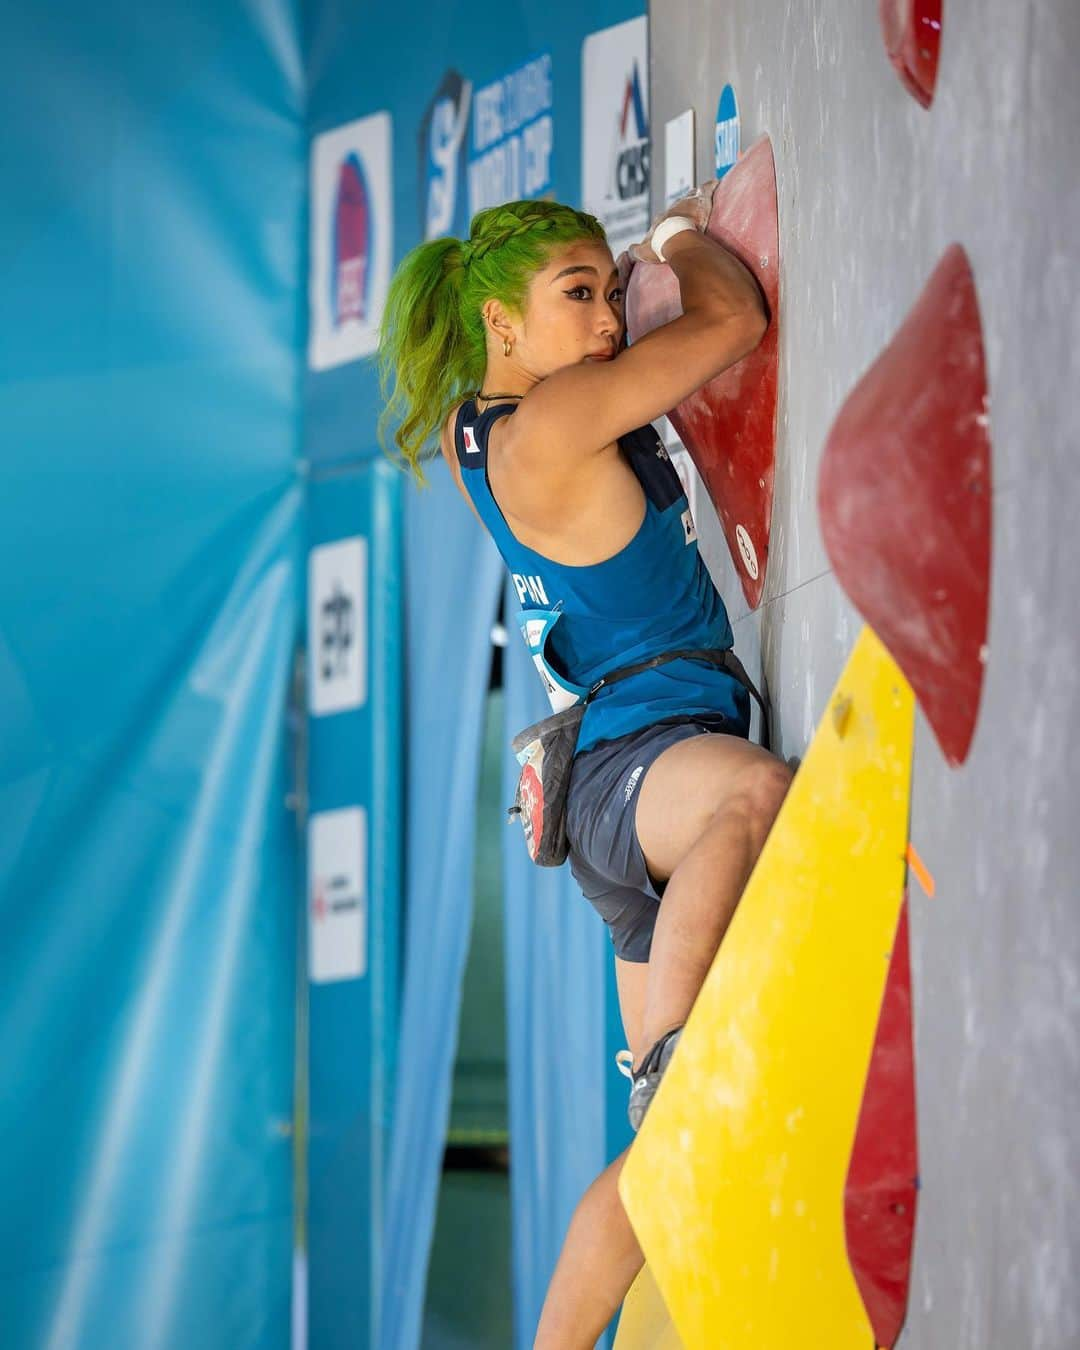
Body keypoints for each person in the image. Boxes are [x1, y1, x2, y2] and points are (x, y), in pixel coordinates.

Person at [377, 190, 793, 1347]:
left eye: (611, 292)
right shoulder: (552, 423)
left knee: (663, 1167)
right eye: (580, 294)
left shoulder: (485, 432)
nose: (610, 319)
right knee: (757, 797)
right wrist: (672, 239)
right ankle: (669, 1066)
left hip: (615, 794)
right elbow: (729, 324)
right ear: (502, 324)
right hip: (638, 774)